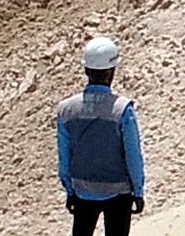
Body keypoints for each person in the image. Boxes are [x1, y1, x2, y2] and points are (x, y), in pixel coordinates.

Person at [57, 37, 146, 235]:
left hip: (82, 190)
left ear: (86, 70)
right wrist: (138, 191)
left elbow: (64, 157)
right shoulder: (123, 109)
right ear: (112, 71)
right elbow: (133, 155)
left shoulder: (66, 110)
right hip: (119, 193)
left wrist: (70, 191)